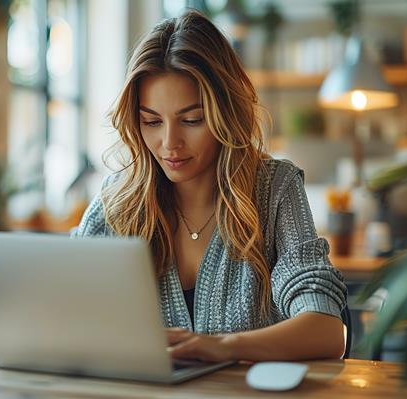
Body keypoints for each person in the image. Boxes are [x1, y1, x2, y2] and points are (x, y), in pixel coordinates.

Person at [74, 10, 347, 363]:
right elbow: (70, 310)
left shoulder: (274, 188)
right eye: (152, 121)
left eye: (192, 120)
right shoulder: (116, 200)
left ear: (226, 113)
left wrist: (224, 347)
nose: (169, 143)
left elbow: (326, 332)